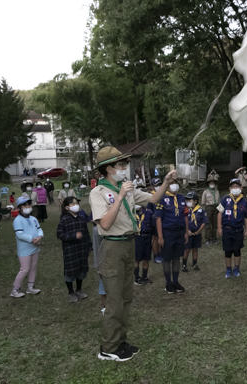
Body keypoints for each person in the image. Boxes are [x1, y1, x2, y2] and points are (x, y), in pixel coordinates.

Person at [90, 146, 175, 362]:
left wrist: (165, 181)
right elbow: (106, 224)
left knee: (126, 297)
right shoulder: (98, 193)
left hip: (129, 244)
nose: (125, 168)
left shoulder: (125, 189)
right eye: (121, 164)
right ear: (109, 168)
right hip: (112, 247)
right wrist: (119, 196)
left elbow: (153, 199)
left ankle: (120, 341)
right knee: (115, 300)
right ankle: (108, 347)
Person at [155, 179, 189, 295]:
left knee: (176, 257)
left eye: (175, 183)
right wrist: (160, 236)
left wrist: (186, 231)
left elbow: (185, 215)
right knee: (167, 258)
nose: (174, 186)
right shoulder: (162, 199)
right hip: (167, 232)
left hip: (179, 232)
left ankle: (175, 281)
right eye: (171, 184)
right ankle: (168, 283)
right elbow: (158, 218)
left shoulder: (181, 198)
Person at [57, 197, 91, 303]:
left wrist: (89, 246)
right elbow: (60, 235)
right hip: (70, 250)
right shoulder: (64, 220)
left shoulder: (81, 219)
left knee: (82, 269)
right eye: (72, 204)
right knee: (71, 271)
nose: (76, 205)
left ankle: (79, 289)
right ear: (67, 207)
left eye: (76, 203)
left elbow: (86, 233)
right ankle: (71, 292)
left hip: (82, 249)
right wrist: (73, 236)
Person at [217, 179, 247, 278]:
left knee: (237, 250)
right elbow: (219, 213)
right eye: (233, 187)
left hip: (238, 230)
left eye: (237, 186)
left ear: (241, 188)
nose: (235, 188)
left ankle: (236, 268)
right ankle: (228, 269)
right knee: (227, 251)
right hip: (227, 229)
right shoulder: (224, 199)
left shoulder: (244, 201)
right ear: (229, 188)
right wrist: (219, 227)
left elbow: (246, 217)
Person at [11, 197, 43, 297]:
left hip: (35, 248)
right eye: (25, 205)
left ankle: (30, 287)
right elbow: (20, 234)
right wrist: (32, 239)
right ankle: (15, 290)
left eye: (29, 204)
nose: (28, 207)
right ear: (19, 207)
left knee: (33, 268)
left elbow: (39, 229)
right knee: (24, 269)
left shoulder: (33, 219)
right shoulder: (18, 220)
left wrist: (40, 236)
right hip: (24, 249)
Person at [182, 191, 208, 272]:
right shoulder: (185, 210)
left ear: (195, 201)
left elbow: (204, 221)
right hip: (188, 233)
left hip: (197, 233)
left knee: (195, 249)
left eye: (190, 200)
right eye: (187, 200)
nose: (188, 202)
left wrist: (199, 231)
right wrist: (186, 231)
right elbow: (181, 222)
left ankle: (194, 264)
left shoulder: (201, 210)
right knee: (187, 249)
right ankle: (184, 265)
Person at [134, 205, 154, 285]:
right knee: (136, 259)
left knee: (146, 258)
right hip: (136, 237)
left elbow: (153, 226)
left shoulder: (149, 213)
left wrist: (153, 238)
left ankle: (144, 276)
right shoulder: (131, 213)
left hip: (147, 237)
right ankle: (136, 277)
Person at [201, 170, 220, 245]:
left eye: (213, 183)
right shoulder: (206, 192)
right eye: (210, 183)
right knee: (208, 224)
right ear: (208, 184)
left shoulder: (217, 191)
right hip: (208, 208)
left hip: (216, 207)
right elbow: (203, 202)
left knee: (215, 224)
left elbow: (218, 200)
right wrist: (203, 210)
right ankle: (207, 239)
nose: (212, 184)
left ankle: (214, 238)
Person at [148, 177, 164, 264]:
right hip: (154, 221)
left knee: (161, 237)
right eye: (156, 185)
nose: (158, 187)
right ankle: (156, 255)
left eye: (159, 185)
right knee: (155, 239)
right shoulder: (152, 197)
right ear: (152, 187)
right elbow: (149, 210)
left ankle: (161, 253)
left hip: (163, 220)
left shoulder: (163, 195)